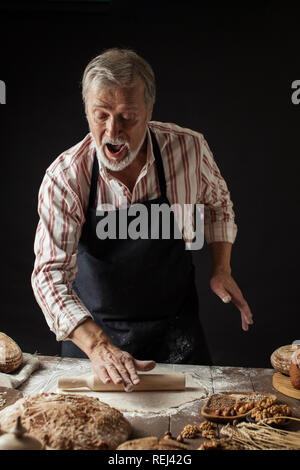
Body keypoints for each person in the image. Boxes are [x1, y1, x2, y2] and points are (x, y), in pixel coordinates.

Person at [31, 48, 253, 392]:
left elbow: (218, 206)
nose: (112, 131)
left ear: (150, 110)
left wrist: (221, 267)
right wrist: (100, 347)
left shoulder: (189, 150)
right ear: (86, 110)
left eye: (127, 116)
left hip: (177, 339)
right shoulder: (66, 177)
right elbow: (49, 276)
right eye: (100, 115)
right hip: (95, 345)